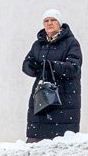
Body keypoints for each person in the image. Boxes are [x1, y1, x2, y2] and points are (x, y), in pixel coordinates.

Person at [22, 9, 82, 141]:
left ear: (60, 23)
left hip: (64, 99)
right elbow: (26, 66)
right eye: (46, 21)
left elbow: (74, 67)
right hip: (41, 99)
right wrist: (33, 65)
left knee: (60, 144)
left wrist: (51, 66)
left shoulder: (71, 43)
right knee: (35, 144)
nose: (49, 23)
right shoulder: (38, 44)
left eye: (53, 20)